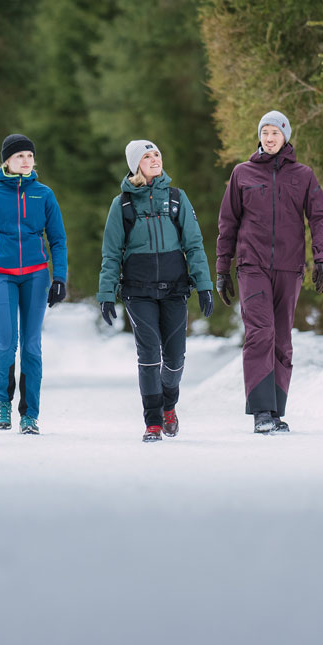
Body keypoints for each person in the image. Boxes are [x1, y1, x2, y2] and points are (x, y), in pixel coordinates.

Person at [215, 110, 323, 434]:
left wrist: (322, 260)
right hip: (252, 266)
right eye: (265, 132)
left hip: (289, 267)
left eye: (275, 132)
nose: (269, 138)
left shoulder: (303, 176)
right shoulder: (243, 173)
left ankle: (276, 411)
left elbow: (319, 218)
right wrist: (223, 269)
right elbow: (227, 224)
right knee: (260, 333)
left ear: (286, 137)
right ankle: (261, 413)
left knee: (282, 339)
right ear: (259, 136)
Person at [97, 139, 214, 442]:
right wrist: (106, 294)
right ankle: (152, 421)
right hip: (138, 291)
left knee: (175, 358)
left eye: (157, 154)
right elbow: (111, 253)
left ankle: (169, 407)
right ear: (136, 164)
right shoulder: (121, 204)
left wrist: (204, 285)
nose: (154, 159)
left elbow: (194, 244)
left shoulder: (177, 198)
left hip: (175, 288)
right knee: (149, 354)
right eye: (147, 156)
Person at [0, 133, 68, 436]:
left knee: (31, 344)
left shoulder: (44, 194)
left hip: (36, 275)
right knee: (6, 342)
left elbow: (57, 240)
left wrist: (60, 278)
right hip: (0, 274)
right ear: (6, 160)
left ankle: (30, 414)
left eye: (29, 156)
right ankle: (3, 402)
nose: (26, 161)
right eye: (19, 156)